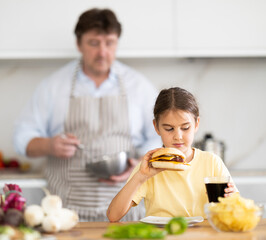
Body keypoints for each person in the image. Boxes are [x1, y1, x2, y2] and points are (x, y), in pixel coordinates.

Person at [13, 8, 161, 221]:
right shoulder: (54, 86)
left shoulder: (138, 86)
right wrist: (49, 145)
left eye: (109, 43)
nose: (102, 52)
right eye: (93, 43)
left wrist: (139, 166)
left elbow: (158, 136)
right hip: (65, 214)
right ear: (78, 44)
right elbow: (21, 136)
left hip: (126, 212)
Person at [107, 87, 237, 222]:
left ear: (196, 124)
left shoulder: (211, 162)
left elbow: (234, 213)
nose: (178, 136)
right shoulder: (148, 167)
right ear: (156, 127)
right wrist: (140, 176)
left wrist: (231, 201)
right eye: (169, 129)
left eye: (185, 128)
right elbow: (113, 216)